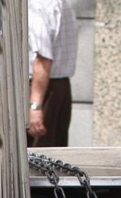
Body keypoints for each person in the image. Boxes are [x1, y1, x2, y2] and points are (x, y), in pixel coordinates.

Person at [27, 0, 78, 147]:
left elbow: (43, 58)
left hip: (41, 89)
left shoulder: (37, 5)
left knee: (36, 157)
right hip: (58, 86)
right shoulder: (59, 3)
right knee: (54, 154)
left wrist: (35, 106)